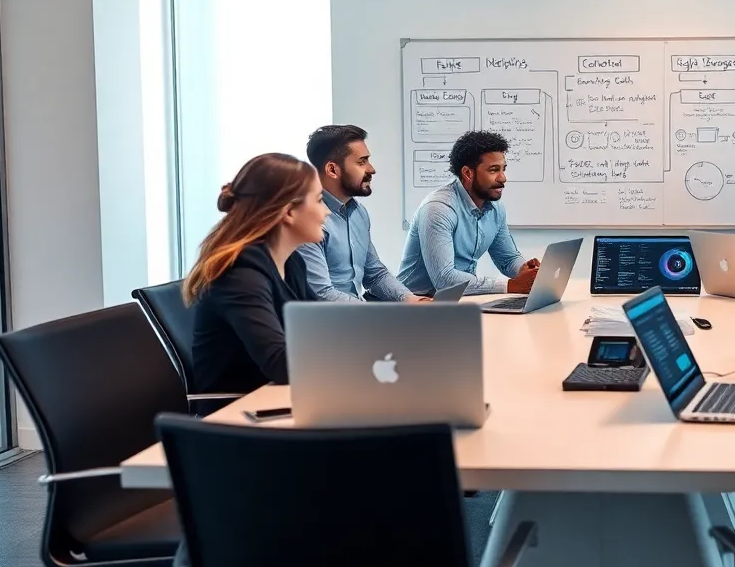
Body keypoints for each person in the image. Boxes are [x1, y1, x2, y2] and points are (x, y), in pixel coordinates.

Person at [186, 153, 326, 394]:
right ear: (289, 212)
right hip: (241, 413)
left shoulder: (292, 263)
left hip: (282, 397)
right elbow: (282, 364)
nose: (327, 212)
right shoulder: (240, 275)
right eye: (320, 200)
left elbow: (324, 328)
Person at [398, 130, 539, 296]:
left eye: (503, 169)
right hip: (415, 305)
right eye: (493, 170)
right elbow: (445, 280)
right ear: (468, 173)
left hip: (458, 302)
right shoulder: (438, 209)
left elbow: (507, 259)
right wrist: (510, 285)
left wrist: (526, 271)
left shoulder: (495, 208)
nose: (503, 178)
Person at [298, 125, 423, 303]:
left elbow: (375, 274)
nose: (371, 169)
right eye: (361, 162)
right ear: (332, 170)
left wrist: (410, 300)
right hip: (326, 324)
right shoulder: (307, 219)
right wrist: (376, 314)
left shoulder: (358, 213)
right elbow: (322, 294)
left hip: (356, 316)